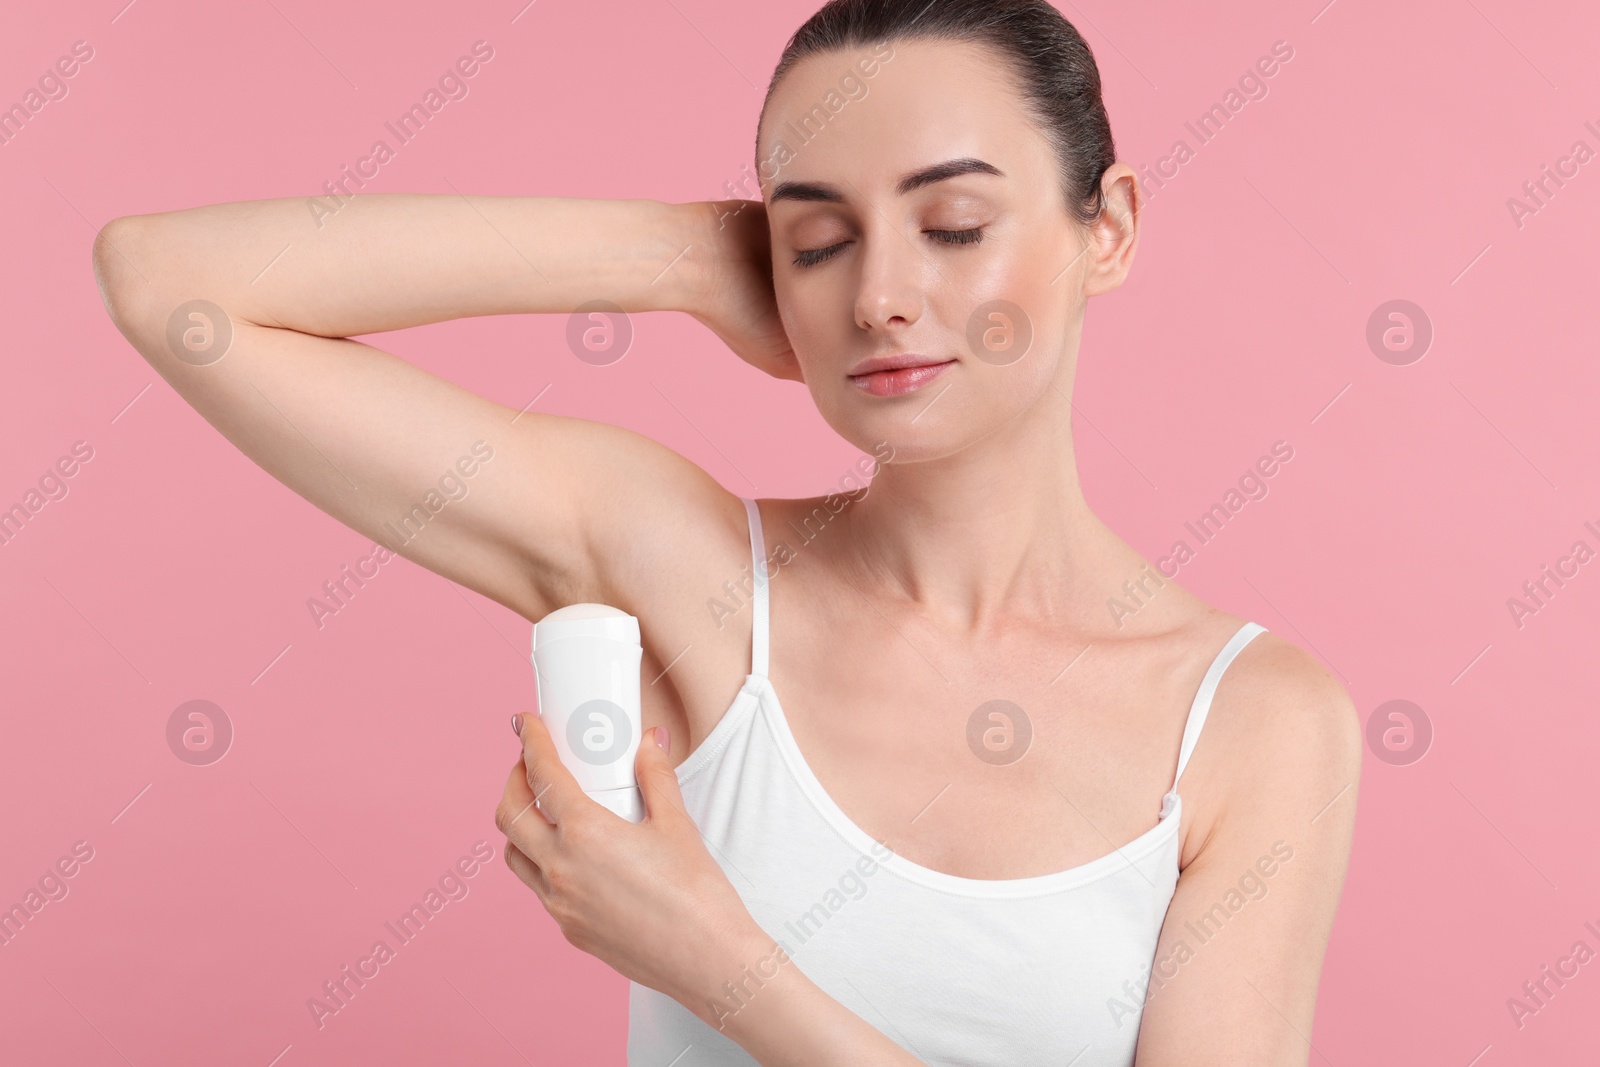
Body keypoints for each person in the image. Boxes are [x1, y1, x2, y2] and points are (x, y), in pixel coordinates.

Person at [91, 0, 1360, 1062]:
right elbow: (168, 285)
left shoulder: (1253, 722)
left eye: (954, 226)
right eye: (815, 239)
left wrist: (723, 968)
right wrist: (680, 253)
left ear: (1110, 228)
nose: (877, 295)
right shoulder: (691, 577)